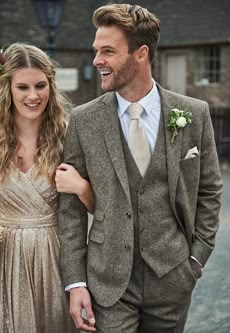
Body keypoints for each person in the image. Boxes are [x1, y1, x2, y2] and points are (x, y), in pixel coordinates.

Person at [58, 4, 223, 333]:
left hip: (172, 280)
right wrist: (75, 282)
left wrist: (195, 260)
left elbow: (210, 189)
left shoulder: (194, 113)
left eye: (107, 51)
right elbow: (69, 211)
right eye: (96, 51)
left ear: (141, 53)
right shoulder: (83, 120)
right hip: (108, 283)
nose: (96, 61)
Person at [0, 42, 95, 333]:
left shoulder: (70, 136)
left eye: (40, 85)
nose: (33, 95)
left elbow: (102, 208)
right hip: (5, 260)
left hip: (55, 259)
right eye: (23, 87)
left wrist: (81, 186)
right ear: (7, 89)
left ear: (51, 87)